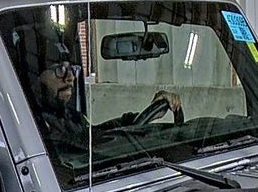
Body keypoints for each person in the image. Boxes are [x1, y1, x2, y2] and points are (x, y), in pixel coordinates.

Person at [16, 24, 182, 146]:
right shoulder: (31, 128)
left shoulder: (70, 116)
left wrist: (145, 114)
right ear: (34, 79)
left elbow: (97, 133)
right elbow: (87, 147)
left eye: (72, 69)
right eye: (59, 70)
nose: (70, 78)